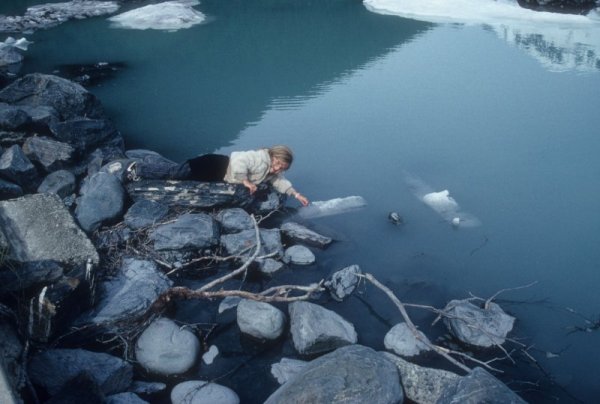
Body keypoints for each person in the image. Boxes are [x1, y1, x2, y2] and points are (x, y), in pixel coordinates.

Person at [127, 145, 310, 206]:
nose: (277, 168)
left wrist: (295, 194)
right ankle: (138, 168)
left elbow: (280, 182)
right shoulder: (258, 158)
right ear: (272, 155)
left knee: (183, 178)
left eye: (282, 167)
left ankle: (145, 169)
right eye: (277, 163)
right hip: (215, 164)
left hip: (217, 175)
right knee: (177, 173)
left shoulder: (272, 172)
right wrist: (245, 181)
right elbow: (239, 161)